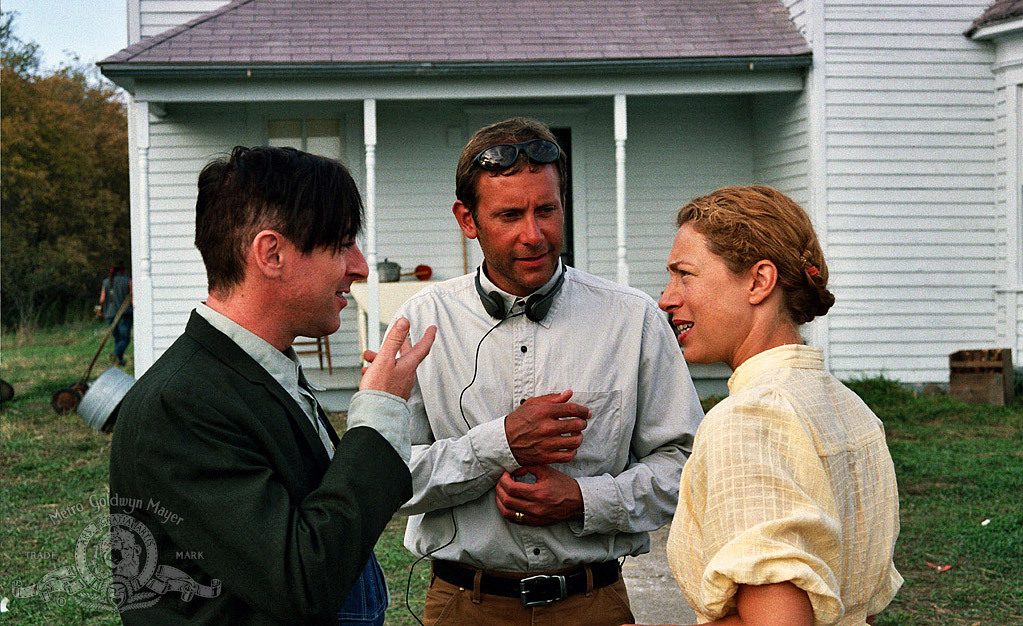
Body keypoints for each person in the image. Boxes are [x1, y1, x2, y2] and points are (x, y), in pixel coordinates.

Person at [381, 118, 704, 626]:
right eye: (509, 215)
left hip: (593, 604)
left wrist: (584, 499)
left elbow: (686, 465)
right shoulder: (422, 323)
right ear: (467, 219)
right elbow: (386, 475)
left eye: (546, 210)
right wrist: (501, 444)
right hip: (465, 607)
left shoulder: (633, 318)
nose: (534, 235)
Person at [109, 146, 436, 625]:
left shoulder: (258, 374)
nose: (361, 266)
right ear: (272, 253)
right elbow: (302, 580)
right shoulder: (180, 406)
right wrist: (380, 410)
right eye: (342, 243)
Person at [640, 185, 901, 626]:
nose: (667, 298)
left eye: (685, 274)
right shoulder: (852, 410)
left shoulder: (747, 419)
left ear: (759, 281)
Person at [99, 263, 133, 365]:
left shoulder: (106, 282)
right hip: (124, 313)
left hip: (110, 314)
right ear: (121, 270)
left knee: (117, 338)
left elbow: (102, 299)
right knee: (125, 339)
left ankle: (119, 361)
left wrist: (99, 310)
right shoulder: (128, 280)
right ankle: (116, 352)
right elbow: (131, 297)